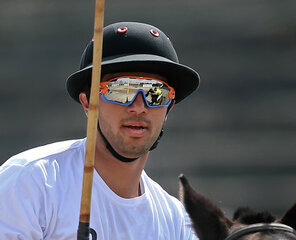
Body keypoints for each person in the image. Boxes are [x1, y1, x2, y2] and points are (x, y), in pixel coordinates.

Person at [0, 22, 200, 239]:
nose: (139, 107)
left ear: (169, 106)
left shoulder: (176, 222)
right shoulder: (31, 181)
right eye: (122, 90)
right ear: (88, 103)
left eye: (155, 93)